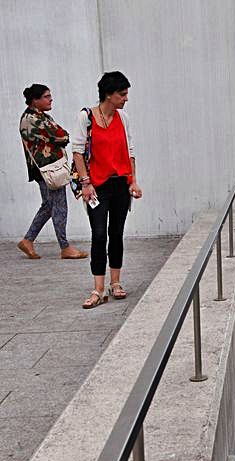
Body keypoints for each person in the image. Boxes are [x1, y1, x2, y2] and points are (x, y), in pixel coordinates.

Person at [72, 71, 143, 309]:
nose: (125, 99)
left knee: (116, 233)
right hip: (96, 185)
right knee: (99, 234)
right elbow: (78, 152)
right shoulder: (87, 117)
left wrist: (133, 181)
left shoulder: (123, 118)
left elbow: (129, 151)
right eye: (122, 94)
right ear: (109, 94)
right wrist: (85, 183)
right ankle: (98, 288)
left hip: (120, 183)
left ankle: (116, 282)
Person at [18, 84, 88, 260]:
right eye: (46, 96)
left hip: (48, 169)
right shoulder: (32, 119)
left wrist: (58, 137)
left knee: (49, 206)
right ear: (35, 100)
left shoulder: (40, 116)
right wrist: (60, 137)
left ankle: (28, 240)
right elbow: (62, 135)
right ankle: (65, 247)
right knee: (59, 206)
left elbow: (59, 135)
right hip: (48, 169)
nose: (50, 99)